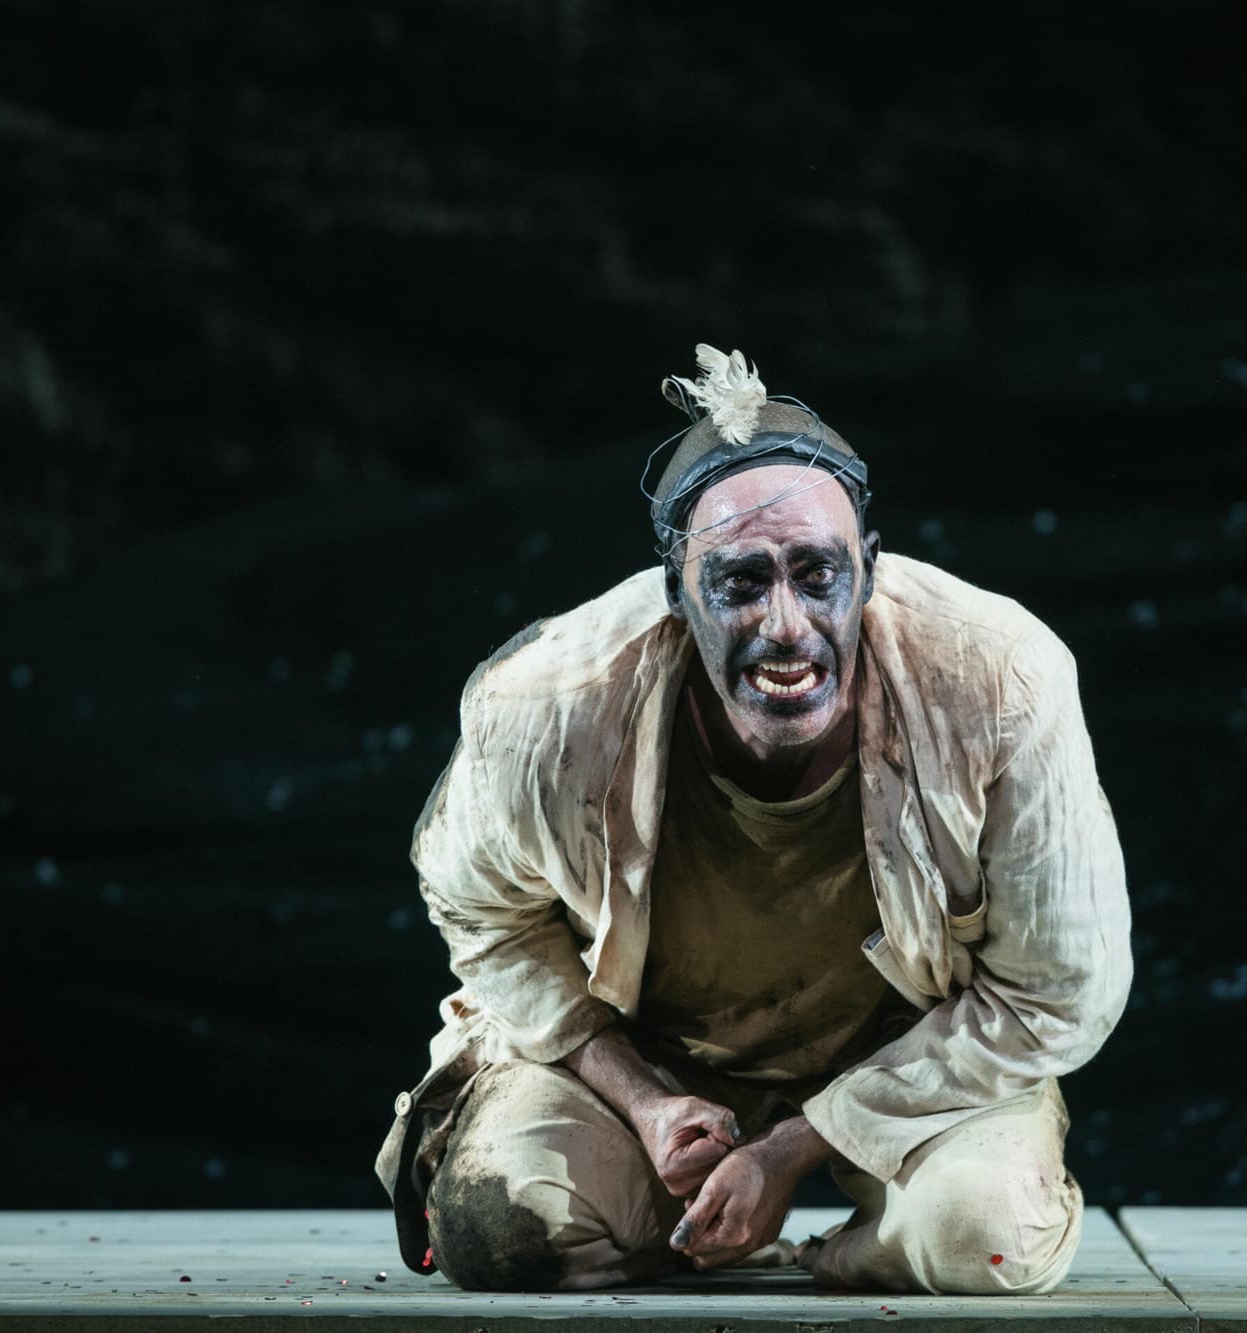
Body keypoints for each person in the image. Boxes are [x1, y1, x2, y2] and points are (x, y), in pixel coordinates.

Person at [374, 345, 1131, 1294]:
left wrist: (793, 1147)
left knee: (986, 1235)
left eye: (818, 575)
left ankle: (840, 1256)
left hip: (914, 1053)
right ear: (678, 592)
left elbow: (1060, 990)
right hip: (653, 1048)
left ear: (869, 570)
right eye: (740, 582)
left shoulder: (1002, 681)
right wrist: (643, 1100)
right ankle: (693, 1228)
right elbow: (481, 910)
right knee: (501, 1227)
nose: (785, 625)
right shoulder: (546, 707)